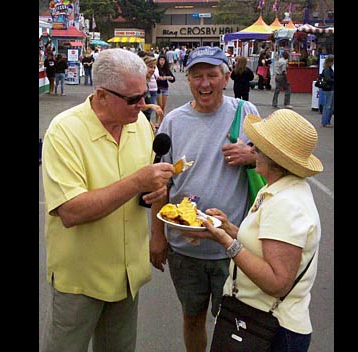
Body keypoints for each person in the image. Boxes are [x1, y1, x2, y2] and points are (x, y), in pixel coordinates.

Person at [41, 48, 175, 352]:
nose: (143, 105)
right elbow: (71, 211)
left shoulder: (139, 123)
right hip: (81, 278)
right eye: (133, 99)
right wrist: (138, 181)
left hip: (127, 275)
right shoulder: (64, 132)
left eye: (144, 93)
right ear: (101, 95)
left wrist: (157, 200)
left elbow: (146, 191)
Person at [150, 46, 260, 352]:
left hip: (233, 247)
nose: (205, 83)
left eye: (212, 75)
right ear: (187, 79)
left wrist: (252, 155)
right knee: (192, 317)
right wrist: (157, 237)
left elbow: (272, 165)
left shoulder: (247, 113)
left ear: (226, 77)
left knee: (234, 324)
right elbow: (162, 184)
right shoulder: (174, 121)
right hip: (185, 249)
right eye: (197, 76)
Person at [188, 108, 324, 352]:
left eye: (257, 147)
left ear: (275, 157)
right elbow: (264, 245)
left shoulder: (286, 203)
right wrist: (227, 228)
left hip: (273, 328)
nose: (251, 151)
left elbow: (277, 282)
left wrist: (227, 243)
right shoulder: (277, 188)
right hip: (260, 319)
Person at [320, 55, 335, 128]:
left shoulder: (328, 68)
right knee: (328, 106)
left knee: (330, 106)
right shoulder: (327, 69)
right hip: (329, 89)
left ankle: (327, 121)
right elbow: (327, 79)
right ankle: (325, 122)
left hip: (330, 89)